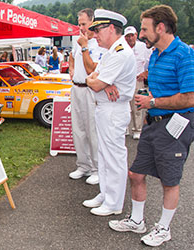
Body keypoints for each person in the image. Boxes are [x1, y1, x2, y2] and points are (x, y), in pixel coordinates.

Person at [108, 5, 194, 247]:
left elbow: (190, 98)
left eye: (145, 29)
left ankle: (164, 228)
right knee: (136, 173)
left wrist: (153, 101)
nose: (141, 34)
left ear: (161, 27)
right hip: (153, 122)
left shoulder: (184, 54)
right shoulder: (155, 54)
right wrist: (149, 107)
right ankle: (137, 221)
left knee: (169, 180)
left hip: (176, 124)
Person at [85, 9, 136, 216]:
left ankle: (114, 203)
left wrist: (99, 83)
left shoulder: (121, 53)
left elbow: (94, 83)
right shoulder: (111, 52)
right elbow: (92, 77)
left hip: (113, 110)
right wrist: (102, 83)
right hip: (105, 109)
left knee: (114, 157)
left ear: (112, 28)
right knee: (104, 155)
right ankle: (105, 194)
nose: (95, 35)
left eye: (98, 30)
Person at [68, 8, 106, 185]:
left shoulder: (97, 44)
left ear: (93, 23)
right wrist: (71, 69)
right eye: (79, 23)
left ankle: (97, 168)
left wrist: (84, 46)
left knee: (92, 130)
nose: (81, 27)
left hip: (91, 90)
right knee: (78, 129)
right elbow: (71, 57)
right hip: (76, 88)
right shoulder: (79, 43)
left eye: (83, 24)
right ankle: (83, 165)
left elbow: (92, 69)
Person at [124, 26, 153, 140]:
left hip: (138, 81)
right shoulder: (122, 47)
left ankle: (138, 129)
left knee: (138, 105)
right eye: (128, 36)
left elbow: (151, 61)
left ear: (136, 35)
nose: (130, 38)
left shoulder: (143, 47)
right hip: (125, 80)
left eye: (132, 35)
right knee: (125, 105)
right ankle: (125, 128)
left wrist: (145, 73)